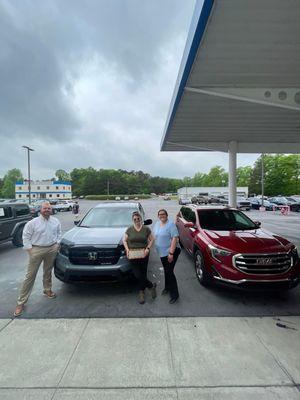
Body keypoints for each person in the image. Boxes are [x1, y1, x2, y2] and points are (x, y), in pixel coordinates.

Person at [14, 201, 62, 317]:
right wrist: (30, 250)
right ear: (40, 210)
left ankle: (47, 290)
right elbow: (25, 237)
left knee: (47, 271)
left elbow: (59, 233)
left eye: (49, 208)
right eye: (45, 208)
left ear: (51, 210)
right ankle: (21, 302)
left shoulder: (55, 221)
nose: (47, 210)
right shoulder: (33, 223)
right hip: (36, 249)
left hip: (51, 249)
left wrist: (57, 244)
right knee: (30, 276)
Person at [123, 211, 156, 304]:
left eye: (138, 219)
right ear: (132, 220)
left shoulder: (146, 229)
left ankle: (141, 292)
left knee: (143, 273)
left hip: (144, 254)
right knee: (137, 274)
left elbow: (152, 239)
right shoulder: (129, 229)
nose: (137, 220)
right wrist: (127, 250)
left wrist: (148, 248)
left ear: (141, 219)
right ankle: (150, 286)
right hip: (133, 254)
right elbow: (124, 240)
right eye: (135, 219)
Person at [153, 209, 180, 304]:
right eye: (159, 214)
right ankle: (167, 287)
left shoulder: (171, 225)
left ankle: (175, 295)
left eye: (163, 214)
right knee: (166, 270)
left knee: (169, 272)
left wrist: (171, 253)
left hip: (171, 252)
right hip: (162, 253)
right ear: (158, 216)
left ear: (167, 215)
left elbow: (174, 239)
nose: (161, 215)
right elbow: (154, 237)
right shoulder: (157, 224)